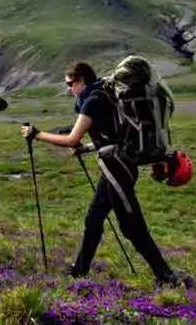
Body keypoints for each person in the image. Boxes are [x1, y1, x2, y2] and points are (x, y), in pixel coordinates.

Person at [21, 62, 178, 285]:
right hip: (117, 166)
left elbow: (71, 139)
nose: (68, 89)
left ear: (81, 80)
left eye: (70, 84)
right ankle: (79, 272)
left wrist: (37, 134)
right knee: (93, 218)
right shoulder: (103, 95)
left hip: (117, 169)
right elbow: (112, 135)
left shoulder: (93, 101)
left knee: (131, 226)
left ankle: (166, 276)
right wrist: (87, 148)